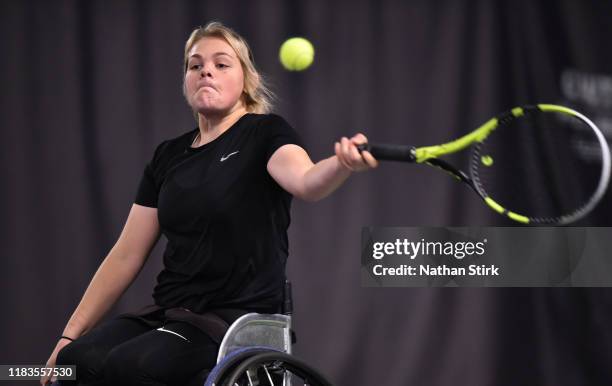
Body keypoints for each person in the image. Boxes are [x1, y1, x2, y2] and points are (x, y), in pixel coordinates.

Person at [41, 21, 377, 386]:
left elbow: (307, 181)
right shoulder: (168, 155)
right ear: (186, 80)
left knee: (131, 367)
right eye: (195, 64)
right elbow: (126, 254)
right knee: (73, 364)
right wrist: (69, 335)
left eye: (221, 63)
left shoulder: (264, 133)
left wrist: (341, 164)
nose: (206, 71)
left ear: (245, 79)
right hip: (170, 313)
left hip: (232, 319)